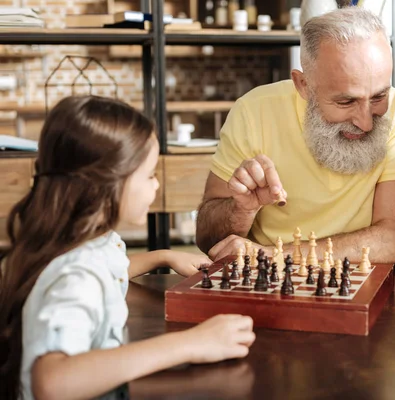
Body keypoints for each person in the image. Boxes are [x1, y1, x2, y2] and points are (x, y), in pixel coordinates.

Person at [0, 95, 255, 400]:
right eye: (148, 175)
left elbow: (108, 271)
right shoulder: (77, 274)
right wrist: (192, 344)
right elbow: (51, 383)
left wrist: (162, 256)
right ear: (106, 184)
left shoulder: (92, 243)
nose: (156, 185)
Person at [196, 7, 395, 264]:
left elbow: (393, 242)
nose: (366, 122)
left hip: (362, 283)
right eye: (346, 101)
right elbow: (207, 239)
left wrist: (275, 256)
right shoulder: (254, 110)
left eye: (379, 97)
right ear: (303, 85)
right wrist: (242, 209)